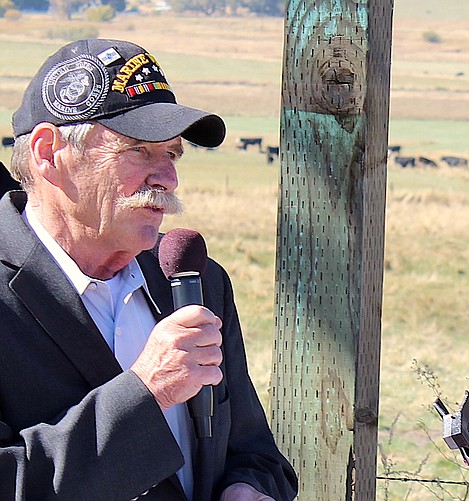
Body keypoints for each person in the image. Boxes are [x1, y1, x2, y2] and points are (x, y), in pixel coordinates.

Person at [0, 38, 297, 501]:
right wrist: (147, 392)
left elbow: (253, 452)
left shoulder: (194, 280)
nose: (168, 178)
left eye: (173, 154)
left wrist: (248, 488)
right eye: (138, 150)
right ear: (48, 153)